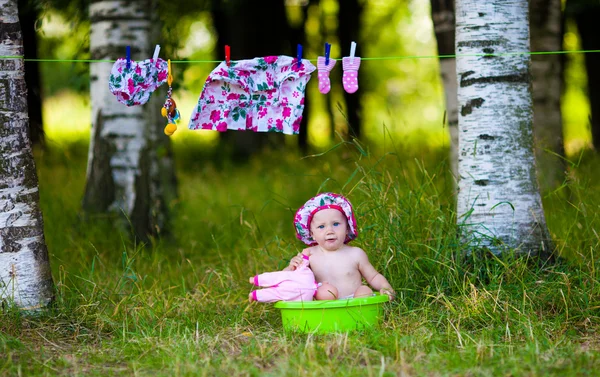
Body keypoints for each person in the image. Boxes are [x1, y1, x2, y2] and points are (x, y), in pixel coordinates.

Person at [286, 192, 395, 300]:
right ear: (312, 234)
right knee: (324, 291)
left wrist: (385, 287)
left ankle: (363, 312)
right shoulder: (309, 255)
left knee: (364, 290)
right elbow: (291, 279)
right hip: (325, 306)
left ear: (347, 228)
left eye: (336, 224)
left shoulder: (356, 253)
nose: (330, 231)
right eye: (321, 226)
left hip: (355, 302)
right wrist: (291, 267)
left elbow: (373, 276)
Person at [248, 254, 339, 302]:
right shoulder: (307, 300)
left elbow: (303, 264)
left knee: (274, 277)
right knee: (273, 295)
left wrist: (304, 257)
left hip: (287, 278)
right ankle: (255, 295)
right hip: (285, 293)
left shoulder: (309, 276)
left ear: (325, 283)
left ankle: (256, 279)